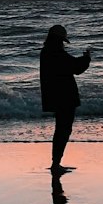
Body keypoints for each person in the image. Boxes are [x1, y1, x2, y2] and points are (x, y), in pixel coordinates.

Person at [39, 24, 91, 174]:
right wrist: (86, 59)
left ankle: (56, 163)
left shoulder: (46, 52)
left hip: (55, 96)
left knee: (61, 130)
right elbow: (75, 68)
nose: (62, 43)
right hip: (65, 97)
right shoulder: (56, 53)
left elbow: (71, 65)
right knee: (63, 130)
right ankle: (56, 164)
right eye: (61, 40)